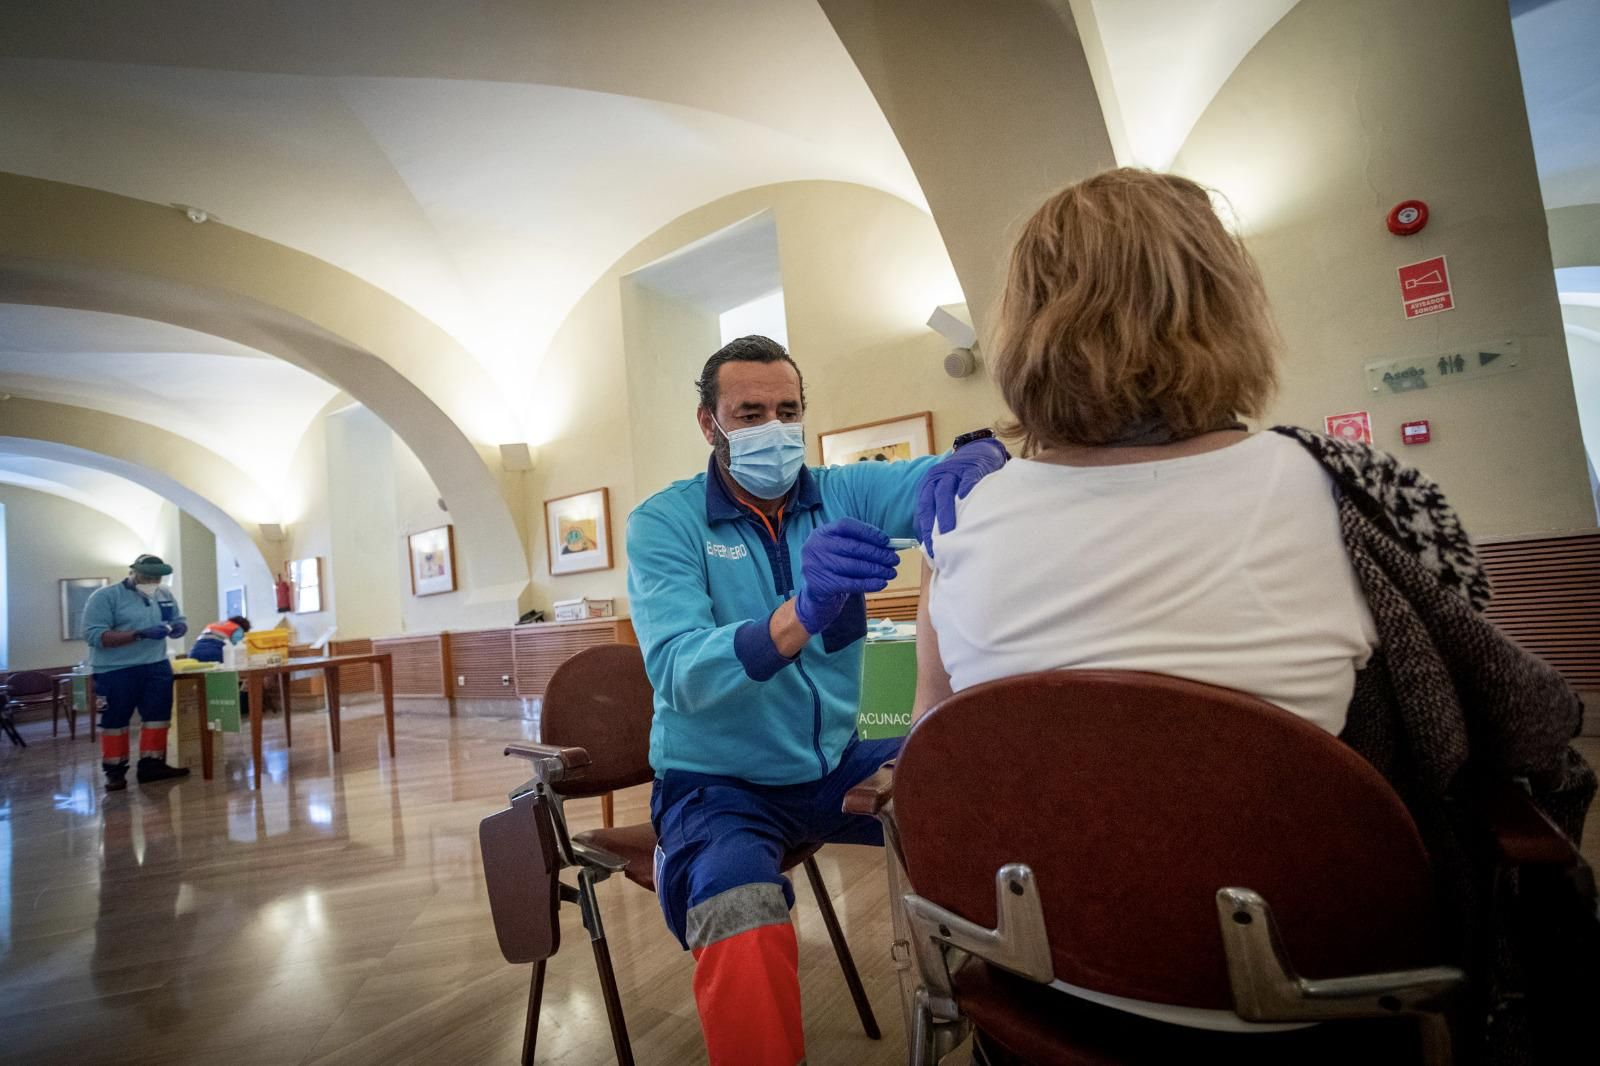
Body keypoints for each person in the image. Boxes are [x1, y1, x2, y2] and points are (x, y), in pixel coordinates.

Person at [913, 167, 1594, 1060]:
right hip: (1318, 997)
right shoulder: (1352, 495)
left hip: (1044, 982)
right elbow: (1477, 725)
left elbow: (929, 752)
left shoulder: (958, 528)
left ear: (1025, 331)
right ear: (1225, 303)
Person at [626, 334, 1006, 1066]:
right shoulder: (665, 524)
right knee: (737, 909)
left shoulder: (841, 493)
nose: (774, 427)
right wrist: (804, 609)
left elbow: (936, 479)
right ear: (709, 424)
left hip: (835, 765)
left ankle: (1003, 1027)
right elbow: (679, 671)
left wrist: (981, 461)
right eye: (749, 412)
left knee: (982, 805)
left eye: (788, 409)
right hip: (716, 785)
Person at [81, 554, 191, 791]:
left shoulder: (163, 594)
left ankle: (152, 765)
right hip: (116, 670)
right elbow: (95, 636)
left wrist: (180, 627)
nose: (152, 581)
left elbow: (177, 618)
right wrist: (138, 634)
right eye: (146, 576)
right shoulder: (105, 597)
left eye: (157, 577)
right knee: (115, 721)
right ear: (133, 572)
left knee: (157, 718)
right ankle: (115, 771)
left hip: (156, 665)